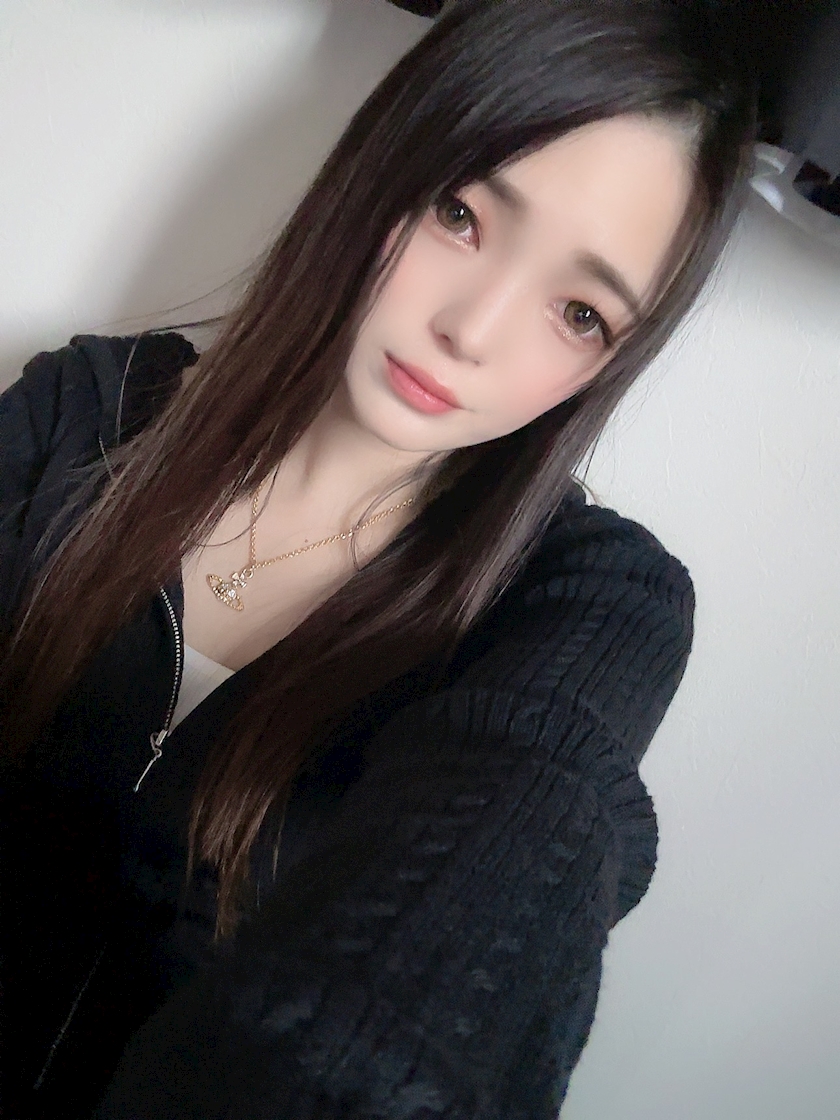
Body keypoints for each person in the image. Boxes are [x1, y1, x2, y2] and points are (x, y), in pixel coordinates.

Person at [0, 1, 758, 1117]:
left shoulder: (582, 603)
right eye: (462, 214)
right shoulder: (78, 416)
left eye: (579, 313)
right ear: (383, 163)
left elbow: (526, 835)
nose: (473, 329)